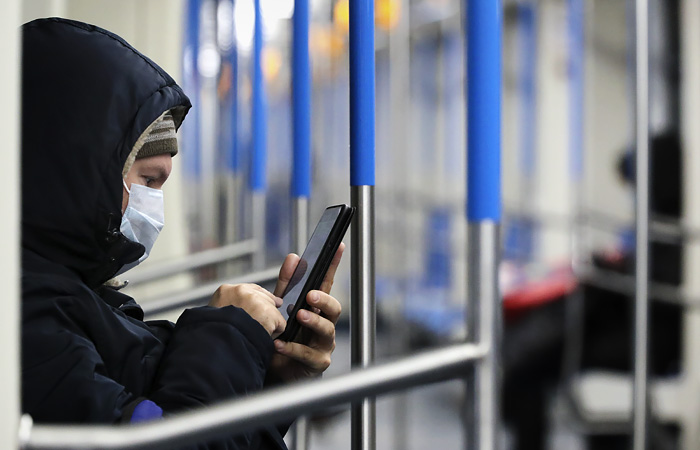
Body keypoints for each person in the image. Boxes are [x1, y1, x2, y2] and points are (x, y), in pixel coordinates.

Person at [21, 17, 343, 448]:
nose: (154, 205)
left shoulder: (75, 294)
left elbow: (173, 411)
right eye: (148, 181)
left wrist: (272, 375)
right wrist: (228, 334)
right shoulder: (29, 323)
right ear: (76, 175)